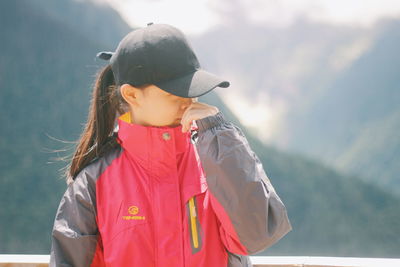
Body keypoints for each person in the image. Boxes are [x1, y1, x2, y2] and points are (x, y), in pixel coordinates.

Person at [49, 22, 292, 267]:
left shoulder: (216, 157)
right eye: (175, 93)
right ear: (132, 95)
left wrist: (220, 134)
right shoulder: (92, 183)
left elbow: (259, 234)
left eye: (193, 89)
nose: (189, 101)